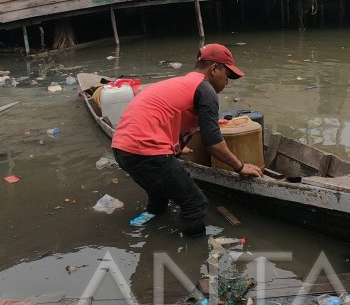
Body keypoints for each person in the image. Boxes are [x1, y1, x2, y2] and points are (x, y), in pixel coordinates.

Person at [111, 43, 262, 236]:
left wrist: (175, 148)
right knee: (195, 203)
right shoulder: (205, 89)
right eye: (228, 75)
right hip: (146, 152)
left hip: (121, 149)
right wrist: (240, 167)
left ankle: (148, 221)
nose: (227, 82)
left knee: (160, 192)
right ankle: (194, 255)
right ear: (214, 69)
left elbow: (161, 118)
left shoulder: (179, 83)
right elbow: (213, 143)